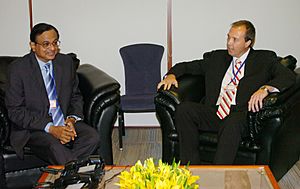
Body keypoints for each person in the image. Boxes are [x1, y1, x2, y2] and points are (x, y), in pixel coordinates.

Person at [157, 20, 295, 165]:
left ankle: (219, 175)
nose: (229, 43)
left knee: (232, 122)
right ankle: (192, 168)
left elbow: (289, 76)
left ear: (248, 42)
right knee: (184, 110)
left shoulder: (263, 60)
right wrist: (171, 75)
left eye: (235, 39)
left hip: (241, 115)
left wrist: (265, 89)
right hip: (216, 111)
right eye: (228, 37)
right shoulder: (217, 58)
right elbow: (186, 66)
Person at [5, 23, 100, 165]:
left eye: (55, 43)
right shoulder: (18, 69)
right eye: (46, 44)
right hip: (34, 128)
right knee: (55, 147)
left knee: (92, 137)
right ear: (33, 45)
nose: (52, 48)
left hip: (63, 121)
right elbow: (15, 111)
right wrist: (51, 128)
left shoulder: (65, 62)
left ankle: (67, 172)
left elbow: (75, 96)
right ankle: (75, 176)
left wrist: (71, 119)